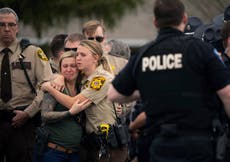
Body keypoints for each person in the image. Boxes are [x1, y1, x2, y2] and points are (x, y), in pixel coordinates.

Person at [107, 0, 230, 162]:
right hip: (198, 142)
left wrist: (151, 89)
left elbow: (114, 94)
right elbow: (226, 93)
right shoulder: (201, 50)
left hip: (160, 142)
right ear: (184, 19)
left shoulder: (145, 54)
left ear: (155, 22)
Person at [42, 40, 127, 162]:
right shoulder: (85, 77)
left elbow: (73, 103)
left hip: (109, 144)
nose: (78, 58)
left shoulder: (101, 79)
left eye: (83, 55)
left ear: (95, 58)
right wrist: (59, 77)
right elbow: (65, 72)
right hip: (92, 143)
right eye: (77, 54)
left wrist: (50, 88)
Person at [0, 7, 52, 162]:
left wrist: (29, 112)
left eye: (11, 24)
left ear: (17, 27)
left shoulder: (33, 53)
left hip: (23, 123)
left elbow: (47, 86)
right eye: (1, 25)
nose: (7, 29)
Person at [37, 51, 89, 162]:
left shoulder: (83, 88)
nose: (69, 69)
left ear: (79, 68)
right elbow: (45, 115)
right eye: (65, 66)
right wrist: (69, 113)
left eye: (73, 66)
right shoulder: (55, 86)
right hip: (54, 152)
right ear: (60, 69)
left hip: (75, 153)